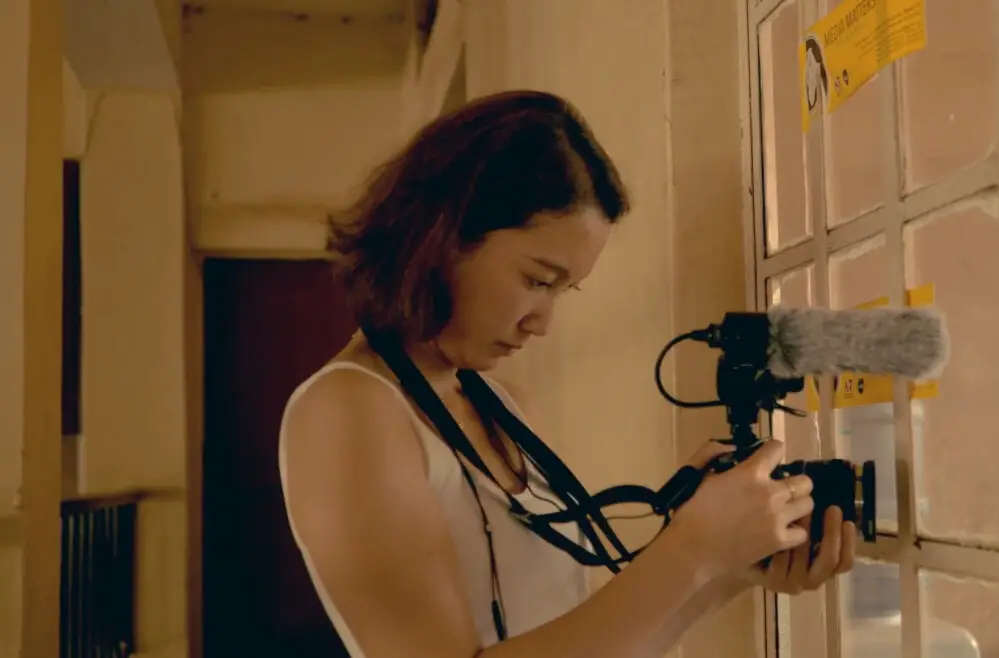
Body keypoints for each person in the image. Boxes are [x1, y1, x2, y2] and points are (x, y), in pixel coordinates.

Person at [278, 89, 856, 658]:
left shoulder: (504, 405)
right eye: (536, 280)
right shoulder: (347, 409)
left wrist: (730, 566)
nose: (542, 322)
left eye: (563, 290)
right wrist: (691, 549)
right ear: (442, 236)